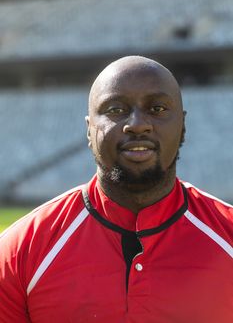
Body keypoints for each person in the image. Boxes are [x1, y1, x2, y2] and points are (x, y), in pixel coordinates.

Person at [0, 56, 232, 323]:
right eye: (115, 109)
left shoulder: (227, 234)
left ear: (182, 126)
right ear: (89, 130)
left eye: (157, 109)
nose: (136, 124)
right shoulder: (20, 252)